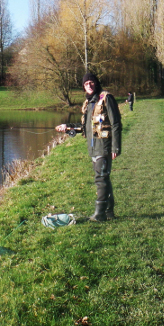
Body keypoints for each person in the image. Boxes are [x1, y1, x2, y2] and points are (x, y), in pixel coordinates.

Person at [55, 73, 122, 222]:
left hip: (104, 146)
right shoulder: (88, 103)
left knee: (101, 178)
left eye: (91, 82)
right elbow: (85, 127)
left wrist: (115, 148)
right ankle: (109, 211)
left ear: (96, 83)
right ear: (84, 87)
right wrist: (67, 127)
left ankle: (99, 214)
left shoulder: (106, 98)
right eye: (86, 84)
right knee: (104, 178)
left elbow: (116, 123)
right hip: (92, 147)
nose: (89, 85)